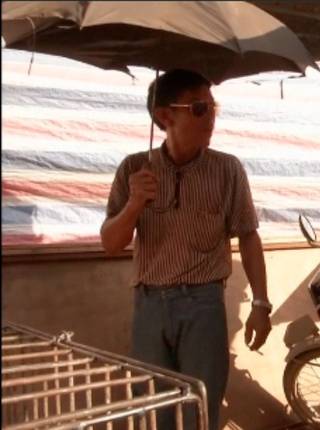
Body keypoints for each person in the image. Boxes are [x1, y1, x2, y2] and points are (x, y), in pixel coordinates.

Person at [100, 69, 271, 430]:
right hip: (149, 306)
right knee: (155, 411)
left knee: (199, 411)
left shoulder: (226, 169)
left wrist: (260, 303)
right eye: (199, 108)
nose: (211, 118)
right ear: (165, 116)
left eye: (213, 107)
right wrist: (134, 203)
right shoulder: (134, 169)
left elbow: (248, 236)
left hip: (203, 306)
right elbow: (111, 244)